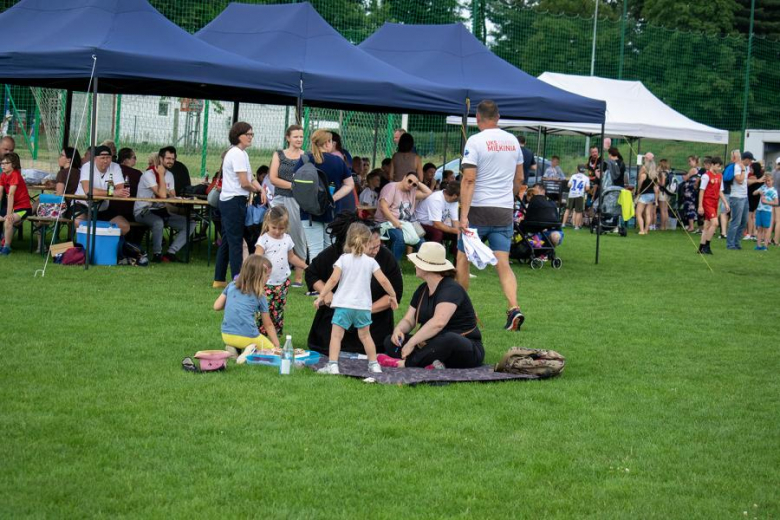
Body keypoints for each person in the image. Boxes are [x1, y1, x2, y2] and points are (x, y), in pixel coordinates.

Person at [456, 100, 525, 331]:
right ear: (498, 117)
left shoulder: (475, 141)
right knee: (503, 264)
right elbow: (519, 179)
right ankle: (513, 307)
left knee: (462, 259)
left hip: (478, 209)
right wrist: (510, 197)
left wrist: (464, 215)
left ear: (477, 118)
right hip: (504, 210)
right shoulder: (513, 141)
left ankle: (464, 310)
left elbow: (469, 179)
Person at [305, 212, 403, 355]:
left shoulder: (385, 258)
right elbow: (312, 273)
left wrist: (365, 309)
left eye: (378, 246)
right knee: (334, 337)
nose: (376, 251)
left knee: (366, 338)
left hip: (371, 319)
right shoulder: (339, 254)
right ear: (360, 242)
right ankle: (334, 361)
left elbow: (393, 290)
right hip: (338, 314)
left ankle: (369, 361)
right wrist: (326, 294)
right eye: (372, 248)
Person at [377, 242, 484, 369]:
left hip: (463, 347)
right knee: (390, 341)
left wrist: (412, 342)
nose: (415, 265)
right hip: (430, 343)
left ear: (426, 267)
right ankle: (430, 362)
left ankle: (406, 363)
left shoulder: (451, 289)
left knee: (449, 339)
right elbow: (409, 319)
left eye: (418, 262)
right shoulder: (423, 289)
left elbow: (438, 323)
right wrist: (398, 330)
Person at [213, 122, 266, 288]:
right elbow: (244, 183)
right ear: (238, 136)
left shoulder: (241, 154)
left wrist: (261, 189)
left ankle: (219, 278)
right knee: (236, 242)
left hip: (233, 200)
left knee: (228, 240)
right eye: (247, 134)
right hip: (234, 201)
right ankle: (238, 279)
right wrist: (256, 191)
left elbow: (250, 179)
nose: (250, 137)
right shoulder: (237, 153)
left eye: (252, 134)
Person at [293, 129, 355, 260]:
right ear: (327, 143)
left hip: (308, 212)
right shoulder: (338, 161)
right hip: (332, 211)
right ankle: (329, 278)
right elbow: (349, 184)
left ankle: (314, 278)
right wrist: (333, 198)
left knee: (314, 249)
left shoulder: (304, 160)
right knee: (330, 249)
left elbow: (294, 183)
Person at [213, 254, 280, 364]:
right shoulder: (260, 295)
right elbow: (268, 324)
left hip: (226, 335)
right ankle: (250, 350)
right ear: (258, 276)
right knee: (271, 351)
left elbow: (216, 306)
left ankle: (232, 349)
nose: (268, 279)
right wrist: (277, 346)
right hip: (248, 336)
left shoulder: (231, 285)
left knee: (235, 341)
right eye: (267, 276)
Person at [254, 206, 307, 337]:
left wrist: (306, 266)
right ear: (267, 224)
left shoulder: (287, 239)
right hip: (265, 284)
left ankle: (275, 339)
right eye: (274, 228)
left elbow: (292, 257)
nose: (277, 231)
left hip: (282, 284)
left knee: (278, 311)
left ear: (286, 226)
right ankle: (259, 337)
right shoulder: (264, 240)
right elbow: (257, 258)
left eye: (281, 228)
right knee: (264, 312)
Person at [134, 152, 194, 263]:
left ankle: (171, 253)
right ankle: (157, 254)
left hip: (162, 211)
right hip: (144, 211)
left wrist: (173, 196)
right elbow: (161, 194)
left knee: (190, 223)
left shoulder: (169, 175)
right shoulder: (148, 175)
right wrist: (167, 191)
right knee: (158, 222)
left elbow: (171, 195)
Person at [269, 124, 307, 286]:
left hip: (298, 201)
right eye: (296, 136)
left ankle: (299, 277)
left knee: (298, 234)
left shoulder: (306, 156)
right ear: (288, 138)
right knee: (274, 232)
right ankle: (273, 273)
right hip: (279, 198)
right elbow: (273, 178)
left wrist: (297, 188)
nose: (299, 139)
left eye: (301, 136)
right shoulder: (279, 154)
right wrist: (292, 185)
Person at [73, 145, 131, 236]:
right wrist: (112, 192)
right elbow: (89, 191)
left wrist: (115, 192)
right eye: (102, 158)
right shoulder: (87, 167)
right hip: (83, 205)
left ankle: (104, 246)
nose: (105, 160)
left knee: (124, 226)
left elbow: (121, 189)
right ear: (95, 158)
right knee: (79, 223)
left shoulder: (115, 167)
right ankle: (86, 247)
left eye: (108, 158)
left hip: (103, 207)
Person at [375, 170, 432, 260]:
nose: (411, 185)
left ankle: (424, 268)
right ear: (404, 177)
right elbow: (383, 207)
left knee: (421, 241)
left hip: (405, 224)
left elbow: (428, 192)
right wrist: (395, 222)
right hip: (385, 223)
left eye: (414, 184)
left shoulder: (412, 191)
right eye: (409, 181)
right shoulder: (391, 187)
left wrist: (417, 182)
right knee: (399, 238)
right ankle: (394, 268)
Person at [415, 180, 460, 256]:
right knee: (437, 233)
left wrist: (460, 231)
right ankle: (431, 259)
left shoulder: (454, 201)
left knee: (458, 235)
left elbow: (455, 221)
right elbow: (437, 225)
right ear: (455, 195)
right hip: (419, 224)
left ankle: (457, 264)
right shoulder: (436, 199)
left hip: (433, 224)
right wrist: (455, 230)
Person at [0, 152, 32, 255]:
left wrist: (8, 214)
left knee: (8, 221)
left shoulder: (15, 174)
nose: (2, 165)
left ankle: (6, 248)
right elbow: (0, 192)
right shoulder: (3, 175)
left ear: (13, 165)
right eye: (2, 163)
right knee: (8, 221)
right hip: (14, 207)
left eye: (6, 163)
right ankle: (4, 241)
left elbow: (10, 195)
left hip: (23, 208)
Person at [697, 157, 729, 255]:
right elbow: (701, 191)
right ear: (712, 165)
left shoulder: (720, 176)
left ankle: (701, 248)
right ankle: (707, 246)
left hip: (715, 203)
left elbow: (720, 191)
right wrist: (700, 206)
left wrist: (725, 202)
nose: (719, 168)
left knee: (707, 226)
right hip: (707, 202)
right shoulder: (706, 176)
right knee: (715, 223)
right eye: (718, 166)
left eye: (720, 167)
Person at [726, 151, 753, 250]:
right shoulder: (738, 167)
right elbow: (739, 180)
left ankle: (737, 242)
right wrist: (742, 169)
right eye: (750, 160)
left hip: (744, 197)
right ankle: (730, 244)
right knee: (735, 221)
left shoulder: (746, 168)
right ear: (746, 159)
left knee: (743, 221)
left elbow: (745, 181)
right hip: (737, 197)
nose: (750, 162)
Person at [635, 153, 659, 235]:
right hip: (652, 195)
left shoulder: (643, 175)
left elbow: (639, 184)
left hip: (644, 195)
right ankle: (646, 230)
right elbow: (656, 188)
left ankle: (641, 230)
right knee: (648, 213)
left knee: (638, 213)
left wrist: (638, 192)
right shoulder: (655, 175)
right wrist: (656, 199)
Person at [754, 173, 777, 251]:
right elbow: (753, 193)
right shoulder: (763, 187)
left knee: (766, 229)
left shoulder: (773, 191)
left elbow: (776, 202)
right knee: (759, 228)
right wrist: (758, 192)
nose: (767, 182)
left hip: (767, 211)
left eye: (769, 181)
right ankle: (758, 245)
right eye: (766, 181)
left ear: (772, 181)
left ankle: (765, 246)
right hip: (759, 209)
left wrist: (767, 202)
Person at [746, 160, 765, 241]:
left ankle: (750, 233)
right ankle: (754, 232)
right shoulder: (761, 177)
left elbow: (746, 183)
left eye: (751, 168)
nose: (750, 170)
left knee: (750, 216)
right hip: (757, 198)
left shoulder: (753, 177)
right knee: (754, 216)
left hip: (752, 197)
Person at [681, 155, 701, 232]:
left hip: (690, 192)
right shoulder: (700, 169)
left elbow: (686, 178)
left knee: (690, 207)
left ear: (694, 161)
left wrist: (684, 176)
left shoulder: (693, 169)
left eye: (690, 161)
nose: (689, 163)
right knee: (693, 207)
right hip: (695, 191)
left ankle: (691, 226)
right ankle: (693, 225)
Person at [657, 158, 671, 231]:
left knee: (662, 210)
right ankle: (666, 226)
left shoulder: (662, 173)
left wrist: (657, 181)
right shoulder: (669, 172)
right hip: (668, 192)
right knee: (666, 210)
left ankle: (662, 226)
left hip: (663, 192)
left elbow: (662, 183)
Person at [772, 157, 780, 246]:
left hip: (772, 196)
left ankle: (769, 239)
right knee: (778, 221)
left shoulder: (773, 172)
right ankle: (776, 240)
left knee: (772, 220)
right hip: (779, 197)